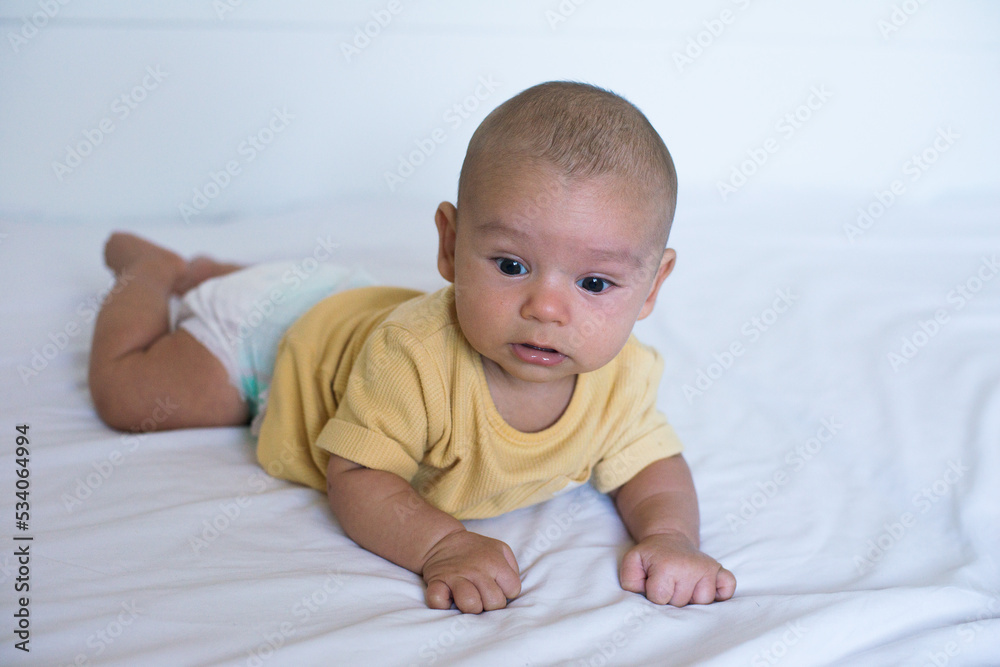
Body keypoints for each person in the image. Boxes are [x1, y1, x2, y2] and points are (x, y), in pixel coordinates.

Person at [89, 81, 737, 614]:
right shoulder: (415, 359)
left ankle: (215, 271)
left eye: (594, 282)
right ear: (450, 246)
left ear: (651, 287)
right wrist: (442, 545)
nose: (545, 307)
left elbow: (652, 463)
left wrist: (670, 535)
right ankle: (151, 271)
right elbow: (359, 474)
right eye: (511, 265)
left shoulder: (622, 377)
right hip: (276, 341)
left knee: (302, 296)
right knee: (130, 395)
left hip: (347, 303)